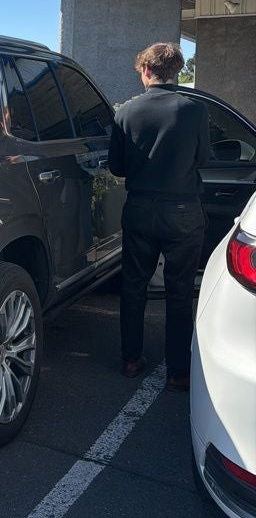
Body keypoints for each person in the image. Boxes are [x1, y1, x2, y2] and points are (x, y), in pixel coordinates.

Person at [108, 42, 209, 392]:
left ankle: (130, 358)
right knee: (180, 291)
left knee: (133, 285)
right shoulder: (194, 111)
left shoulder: (126, 112)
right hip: (182, 212)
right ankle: (178, 371)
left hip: (139, 208)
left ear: (146, 70)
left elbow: (117, 167)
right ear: (176, 71)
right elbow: (204, 158)